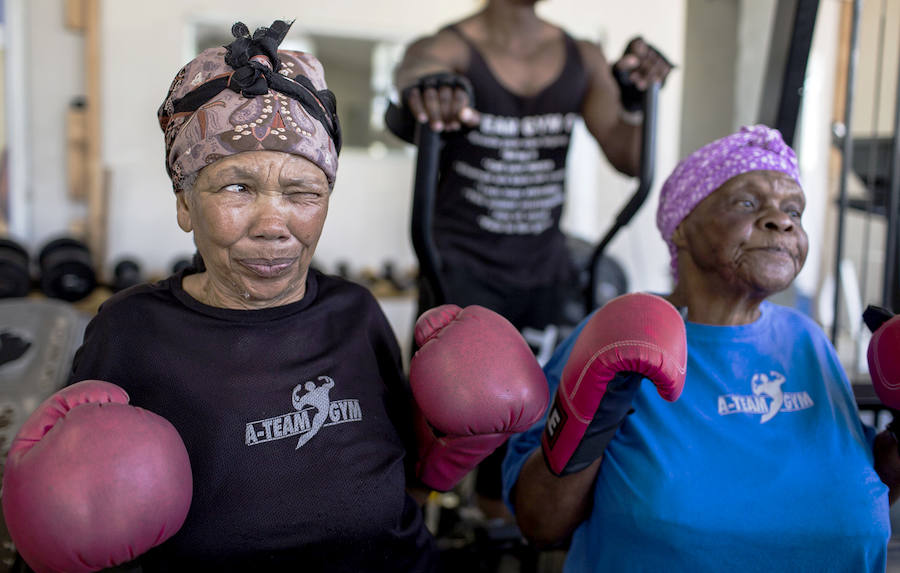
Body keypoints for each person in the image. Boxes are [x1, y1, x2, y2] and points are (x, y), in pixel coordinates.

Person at [0, 20, 549, 573]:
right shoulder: (130, 332)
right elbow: (80, 509)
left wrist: (454, 444)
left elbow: (400, 481)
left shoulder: (355, 312)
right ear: (186, 205)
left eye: (302, 192)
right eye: (237, 187)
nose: (274, 225)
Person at [502, 125, 900, 571]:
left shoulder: (807, 340)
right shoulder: (621, 334)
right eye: (748, 203)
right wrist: (589, 421)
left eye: (794, 210)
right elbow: (539, 523)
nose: (782, 220)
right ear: (682, 228)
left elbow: (856, 488)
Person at [391, 0, 672, 517]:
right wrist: (431, 84)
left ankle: (501, 540)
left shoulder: (580, 57)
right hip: (459, 273)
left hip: (543, 271)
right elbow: (415, 64)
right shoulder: (454, 45)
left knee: (522, 432)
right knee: (432, 437)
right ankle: (410, 535)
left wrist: (636, 96)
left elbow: (627, 154)